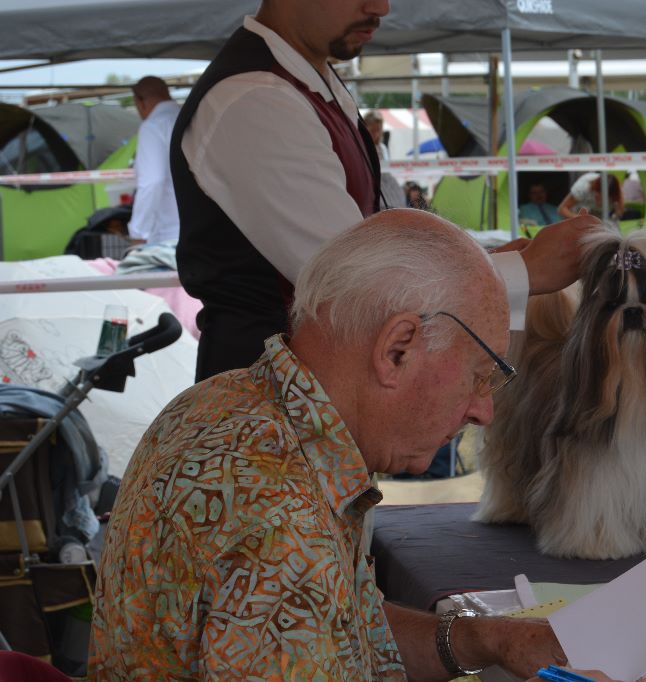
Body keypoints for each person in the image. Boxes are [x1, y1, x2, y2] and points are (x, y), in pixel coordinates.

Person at [90, 209, 616, 681]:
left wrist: (490, 639)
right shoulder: (281, 523)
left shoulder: (227, 402)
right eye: (481, 376)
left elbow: (341, 626)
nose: (485, 410)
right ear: (397, 349)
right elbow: (296, 588)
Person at [171, 0, 597, 382]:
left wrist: (484, 268)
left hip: (304, 397)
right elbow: (360, 283)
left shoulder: (306, 81)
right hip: (262, 409)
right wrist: (524, 271)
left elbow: (375, 242)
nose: (382, 7)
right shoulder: (253, 101)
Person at [127, 76, 180, 245]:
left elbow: (152, 181)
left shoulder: (153, 126)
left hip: (168, 233)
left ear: (140, 101)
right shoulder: (190, 117)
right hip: (201, 226)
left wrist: (138, 232)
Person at [363, 108, 406, 209]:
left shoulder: (382, 148)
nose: (376, 134)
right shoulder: (362, 146)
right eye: (372, 130)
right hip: (371, 182)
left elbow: (387, 168)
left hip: (386, 182)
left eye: (378, 130)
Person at [558, 172, 624, 221]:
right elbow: (562, 209)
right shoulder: (582, 187)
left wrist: (613, 217)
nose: (600, 199)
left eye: (606, 197)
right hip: (577, 217)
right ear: (594, 187)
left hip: (601, 220)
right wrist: (578, 219)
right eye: (598, 194)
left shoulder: (616, 191)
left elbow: (619, 213)